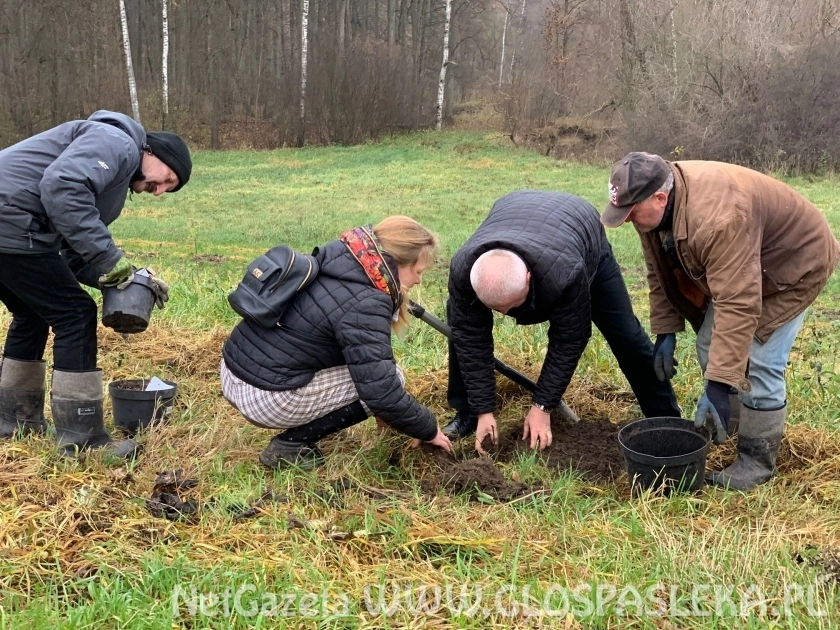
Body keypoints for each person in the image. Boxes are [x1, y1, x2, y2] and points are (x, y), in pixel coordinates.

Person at [601, 152, 840, 490]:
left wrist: (718, 383)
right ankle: (733, 421)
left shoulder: (719, 217)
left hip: (794, 264)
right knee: (708, 343)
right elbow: (659, 272)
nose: (627, 220)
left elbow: (738, 303)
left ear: (659, 197)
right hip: (747, 262)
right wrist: (666, 330)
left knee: (758, 359)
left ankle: (756, 462)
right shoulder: (653, 208)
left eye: (631, 212)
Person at [0, 110, 191, 457]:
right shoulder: (117, 142)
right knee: (75, 314)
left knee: (32, 312)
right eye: (167, 179)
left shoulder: (112, 167)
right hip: (10, 222)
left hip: (12, 225)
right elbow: (61, 187)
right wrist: (108, 261)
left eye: (168, 190)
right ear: (155, 154)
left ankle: (14, 422)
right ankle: (82, 439)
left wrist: (128, 276)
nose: (160, 191)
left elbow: (71, 248)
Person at [444, 190, 682, 454]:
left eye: (510, 306)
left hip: (580, 235)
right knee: (461, 329)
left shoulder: (566, 273)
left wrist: (542, 406)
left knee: (625, 335)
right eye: (494, 309)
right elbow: (470, 337)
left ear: (528, 278)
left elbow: (569, 339)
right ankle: (467, 412)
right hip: (518, 216)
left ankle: (665, 419)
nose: (502, 315)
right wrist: (483, 410)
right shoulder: (464, 270)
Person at [221, 216, 452, 469]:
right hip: (263, 397)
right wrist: (428, 429)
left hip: (233, 372)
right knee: (392, 379)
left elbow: (357, 354)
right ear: (397, 263)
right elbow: (381, 391)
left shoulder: (339, 260)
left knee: (375, 379)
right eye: (418, 272)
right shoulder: (368, 301)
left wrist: (389, 410)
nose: (418, 281)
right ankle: (291, 445)